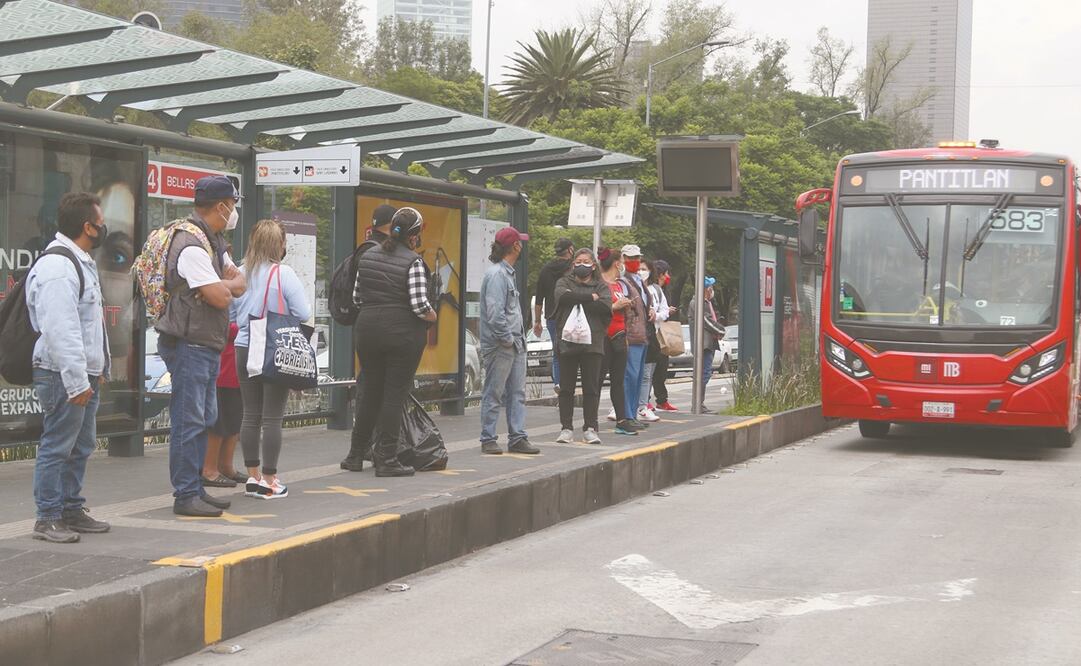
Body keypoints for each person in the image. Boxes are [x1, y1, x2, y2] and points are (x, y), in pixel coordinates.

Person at [156, 176, 247, 518]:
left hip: (206, 342)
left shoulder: (214, 241)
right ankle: (185, 493)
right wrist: (225, 285)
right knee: (189, 420)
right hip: (189, 342)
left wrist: (223, 284)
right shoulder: (192, 245)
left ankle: (195, 488)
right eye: (233, 205)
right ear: (222, 205)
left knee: (205, 417)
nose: (234, 211)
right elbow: (224, 295)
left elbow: (240, 283)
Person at [27, 192, 111, 543]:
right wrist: (77, 381)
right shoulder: (58, 268)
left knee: (81, 444)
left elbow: (90, 324)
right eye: (101, 221)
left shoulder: (81, 261)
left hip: (82, 373)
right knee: (58, 445)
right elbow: (61, 331)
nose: (104, 227)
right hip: (62, 374)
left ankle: (71, 509)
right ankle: (47, 517)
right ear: (87, 227)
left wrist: (98, 367)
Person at [352, 208, 437, 477]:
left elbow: (357, 297)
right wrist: (432, 315)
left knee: (371, 392)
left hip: (367, 331)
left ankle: (355, 455)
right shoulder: (413, 262)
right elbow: (419, 305)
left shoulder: (368, 255)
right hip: (400, 335)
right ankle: (387, 458)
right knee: (393, 395)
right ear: (413, 236)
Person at [232, 220, 312, 498]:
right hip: (272, 349)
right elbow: (302, 312)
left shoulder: (240, 273)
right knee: (272, 418)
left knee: (250, 414)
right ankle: (270, 478)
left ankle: (252, 477)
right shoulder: (284, 274)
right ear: (279, 245)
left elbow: (230, 315)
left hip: (243, 346)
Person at [342, 204, 399, 471]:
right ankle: (371, 447)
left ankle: (359, 449)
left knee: (369, 386)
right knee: (377, 389)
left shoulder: (363, 249)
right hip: (382, 329)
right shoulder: (379, 253)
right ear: (391, 225)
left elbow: (356, 296)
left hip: (366, 328)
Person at [479, 227, 539, 455]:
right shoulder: (496, 275)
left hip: (515, 343)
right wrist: (506, 339)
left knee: (516, 393)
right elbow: (495, 314)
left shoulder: (508, 273)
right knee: (494, 391)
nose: (522, 246)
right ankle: (488, 438)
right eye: (520, 242)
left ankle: (517, 437)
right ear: (515, 246)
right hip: (502, 344)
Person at [553, 249, 611, 445]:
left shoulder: (601, 286)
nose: (582, 264)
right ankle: (566, 428)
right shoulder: (563, 282)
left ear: (593, 265)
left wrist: (578, 297)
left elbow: (605, 308)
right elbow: (563, 298)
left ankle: (590, 428)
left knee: (591, 388)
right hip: (567, 343)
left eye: (586, 261)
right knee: (566, 388)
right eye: (578, 261)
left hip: (593, 343)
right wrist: (590, 297)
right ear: (573, 264)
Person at [201, 322, 246, 488]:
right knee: (219, 421)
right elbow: (221, 326)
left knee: (234, 418)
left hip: (238, 367)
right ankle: (209, 469)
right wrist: (247, 328)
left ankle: (226, 466)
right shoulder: (222, 298)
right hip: (223, 366)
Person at [599, 248, 637, 436]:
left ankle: (622, 419)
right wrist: (615, 306)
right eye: (621, 261)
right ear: (616, 263)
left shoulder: (619, 285)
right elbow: (596, 309)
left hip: (620, 337)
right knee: (596, 380)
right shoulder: (599, 283)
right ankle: (590, 422)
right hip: (604, 337)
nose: (622, 264)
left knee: (618, 381)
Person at [533, 237, 574, 392]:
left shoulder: (545, 269)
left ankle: (559, 383)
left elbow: (539, 299)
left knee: (557, 351)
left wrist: (537, 321)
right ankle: (568, 384)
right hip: (570, 316)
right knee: (572, 351)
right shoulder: (573, 268)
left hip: (552, 317)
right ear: (570, 250)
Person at [620, 244, 654, 429]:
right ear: (623, 259)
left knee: (638, 376)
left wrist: (651, 311)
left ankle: (633, 413)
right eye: (630, 258)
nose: (635, 262)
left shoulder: (639, 280)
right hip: (631, 334)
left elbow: (644, 303)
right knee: (630, 376)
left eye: (637, 258)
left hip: (643, 334)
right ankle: (627, 414)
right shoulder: (623, 281)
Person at [688, 276, 726, 413]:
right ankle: (698, 404)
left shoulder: (704, 302)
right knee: (703, 374)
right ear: (706, 289)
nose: (712, 290)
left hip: (708, 343)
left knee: (705, 373)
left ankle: (699, 403)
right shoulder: (697, 303)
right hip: (702, 344)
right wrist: (721, 329)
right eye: (711, 288)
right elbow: (707, 321)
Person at [636, 259, 666, 424]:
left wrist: (657, 315)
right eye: (638, 269)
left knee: (647, 374)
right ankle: (624, 406)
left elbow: (664, 310)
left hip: (650, 335)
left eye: (644, 269)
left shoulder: (656, 290)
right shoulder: (629, 286)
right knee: (631, 373)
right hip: (634, 335)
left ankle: (642, 406)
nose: (641, 271)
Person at [651, 260, 679, 412]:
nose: (668, 276)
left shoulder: (664, 291)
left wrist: (667, 310)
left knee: (662, 367)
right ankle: (645, 401)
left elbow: (663, 311)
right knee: (650, 368)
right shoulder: (649, 289)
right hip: (652, 333)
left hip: (662, 333)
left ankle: (662, 399)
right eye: (666, 273)